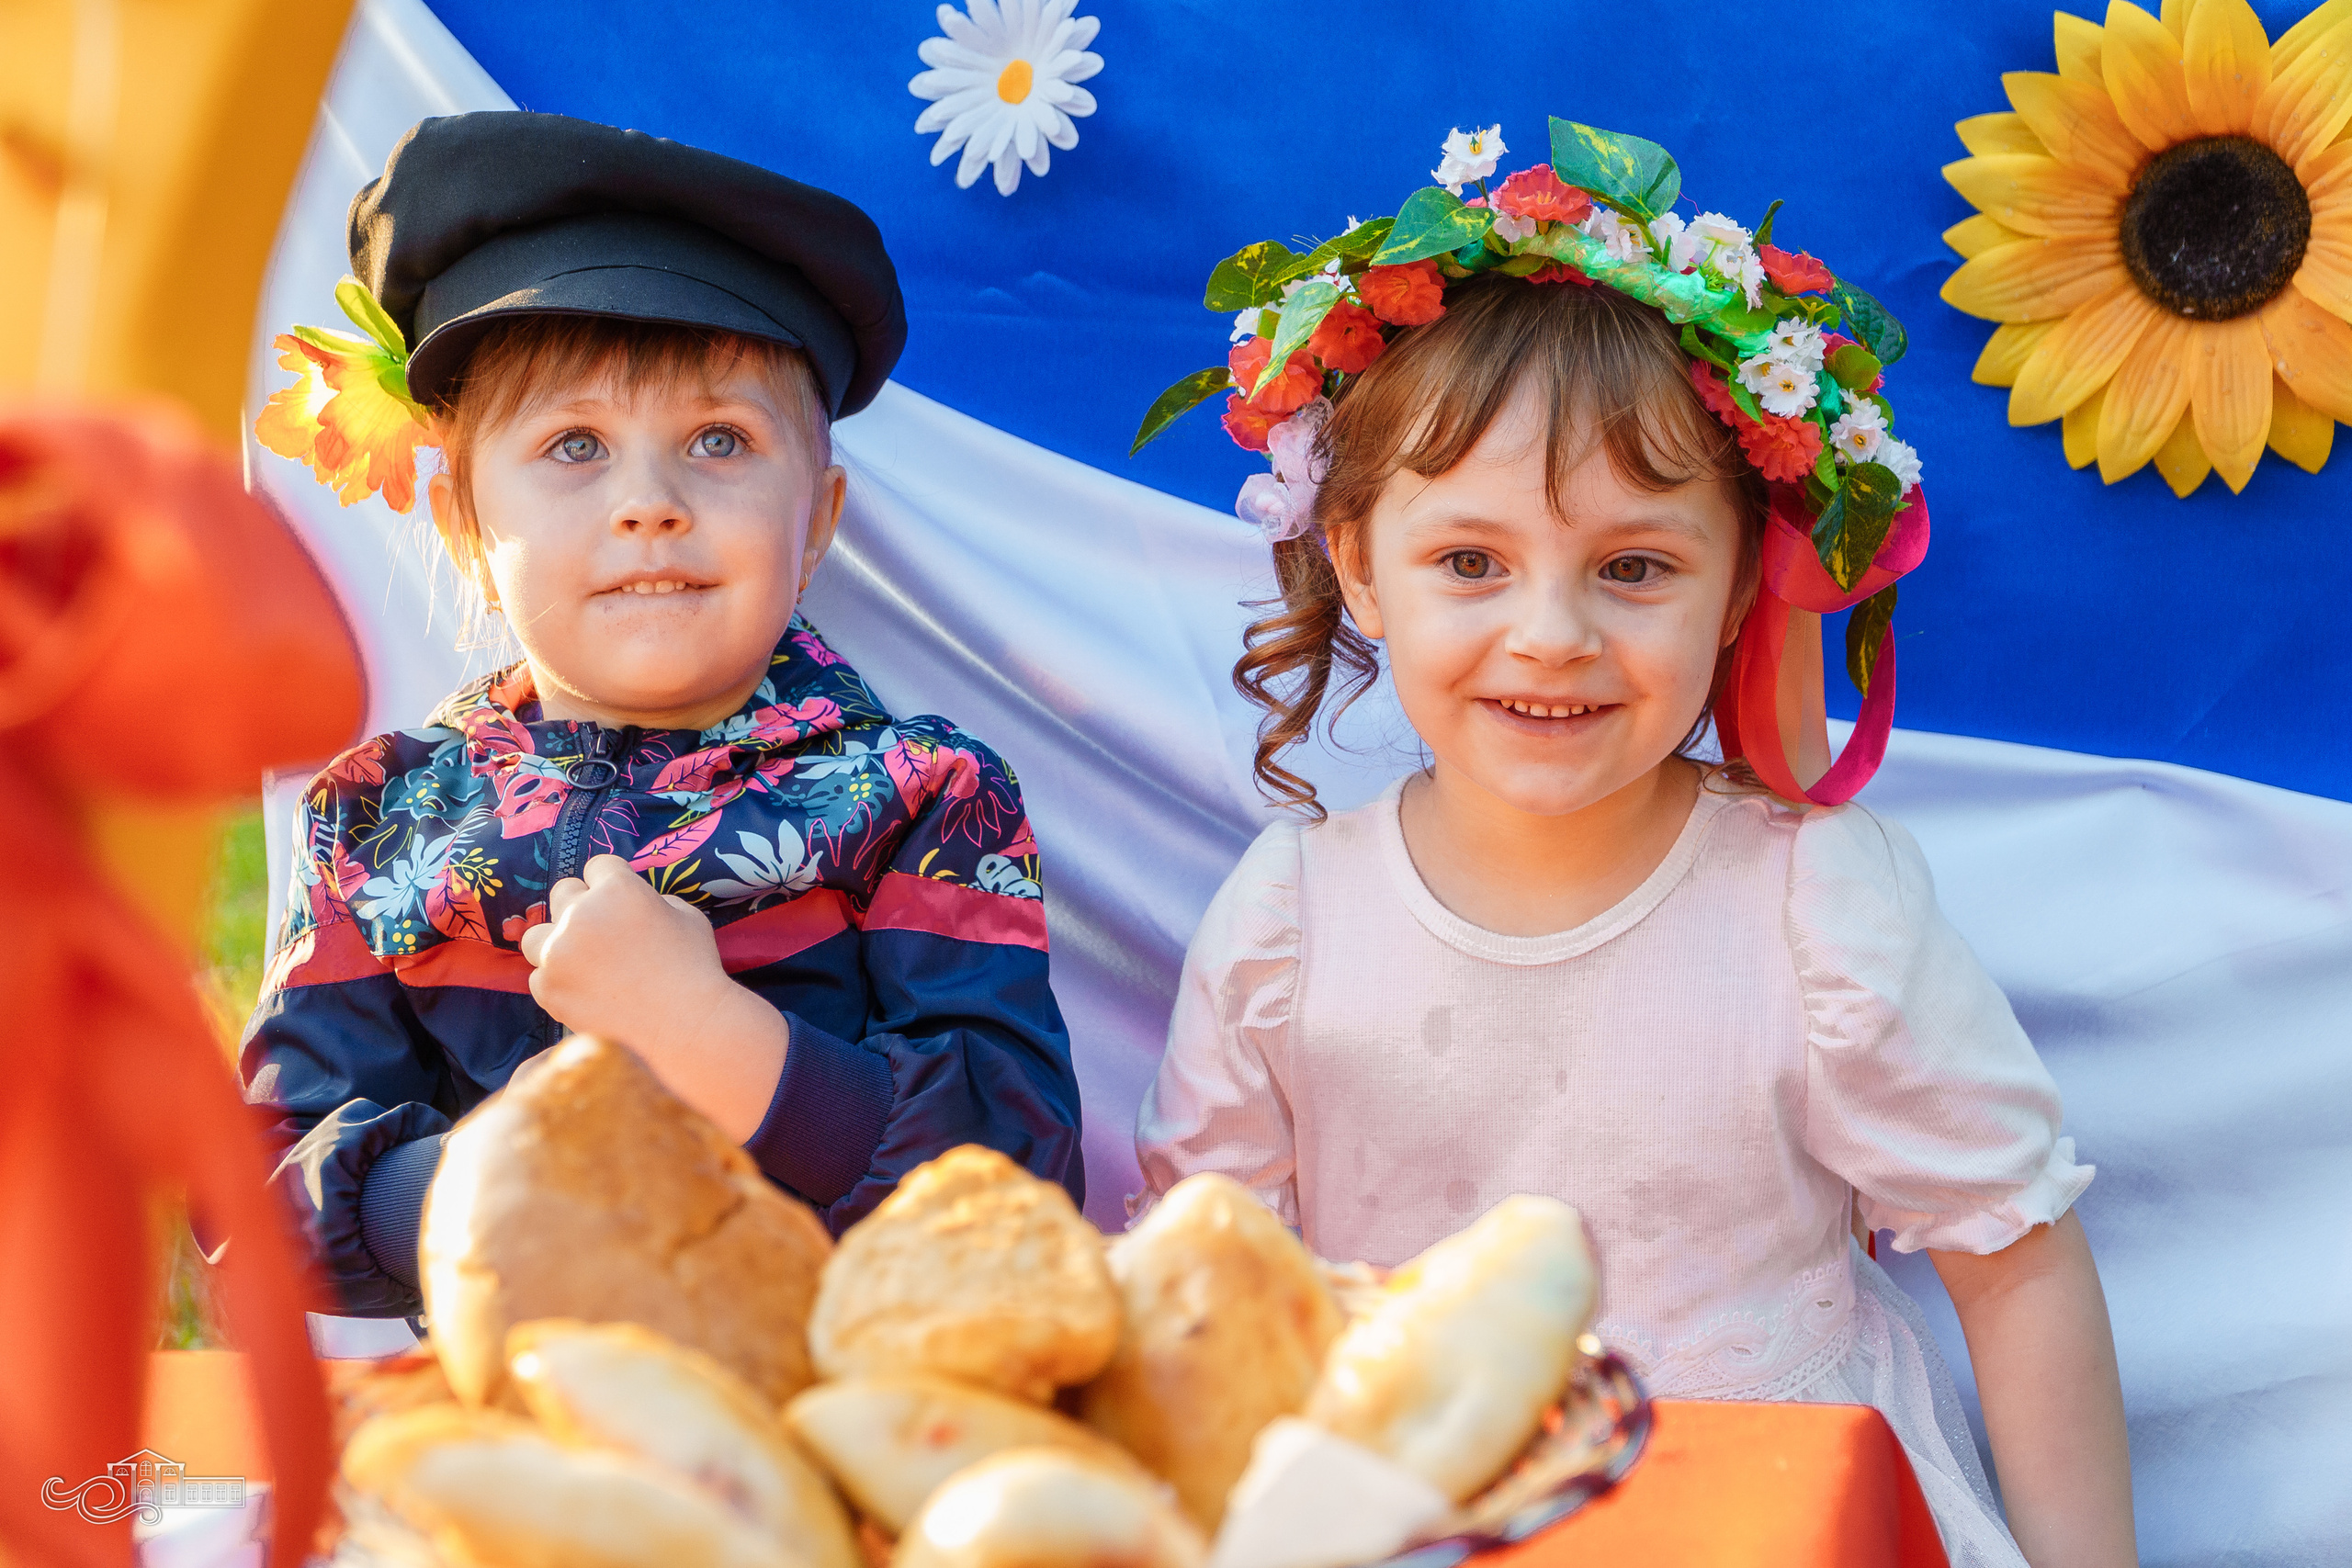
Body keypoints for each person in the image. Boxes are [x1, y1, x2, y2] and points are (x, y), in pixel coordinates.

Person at [1134, 129, 2133, 1567]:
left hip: (1780, 1523)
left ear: (1739, 587)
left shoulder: (1813, 904)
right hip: (1424, 1525)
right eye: (1471, 562)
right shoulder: (1289, 922)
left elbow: (2016, 1266)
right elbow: (1203, 1304)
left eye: (1634, 567)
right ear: (1356, 561)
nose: (1553, 634)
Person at [243, 111, 1081, 1320]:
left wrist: (705, 1039)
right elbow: (261, 1192)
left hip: (836, 1434)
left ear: (821, 517)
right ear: (465, 521)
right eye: (576, 443)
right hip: (519, 1437)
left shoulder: (925, 799)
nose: (650, 502)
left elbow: (1022, 1187)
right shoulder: (378, 819)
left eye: (718, 441)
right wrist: (489, 1182)